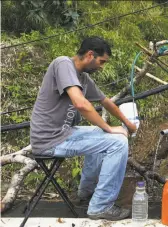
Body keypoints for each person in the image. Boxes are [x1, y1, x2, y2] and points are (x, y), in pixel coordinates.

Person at [30, 37, 137, 220]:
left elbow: (106, 102)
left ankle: (85, 193)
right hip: (49, 140)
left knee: (102, 135)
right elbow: (81, 104)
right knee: (118, 142)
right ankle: (100, 206)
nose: (102, 66)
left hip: (63, 134)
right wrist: (110, 129)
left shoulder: (83, 78)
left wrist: (127, 123)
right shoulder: (63, 64)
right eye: (101, 61)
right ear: (90, 55)